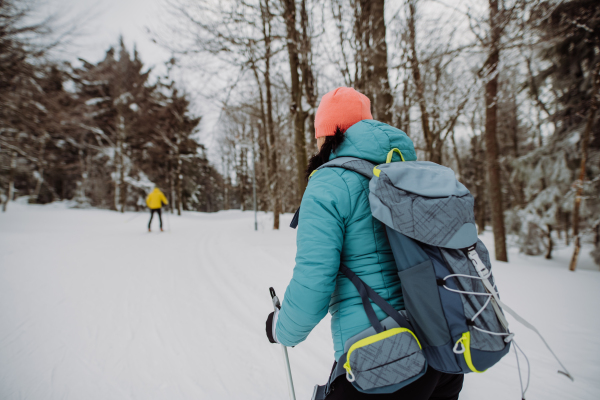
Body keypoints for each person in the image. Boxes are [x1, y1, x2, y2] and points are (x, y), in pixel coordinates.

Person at [265, 87, 464, 399]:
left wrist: (281, 328)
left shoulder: (328, 184)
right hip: (441, 352)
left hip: (384, 359)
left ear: (325, 135)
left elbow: (314, 280)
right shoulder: (403, 173)